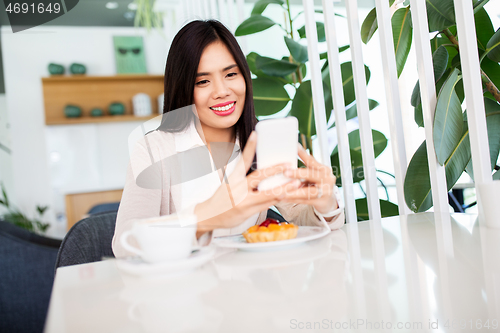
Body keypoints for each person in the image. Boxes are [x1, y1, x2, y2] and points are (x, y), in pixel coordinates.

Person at [112, 20, 344, 257]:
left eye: (231, 74)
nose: (221, 91)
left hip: (250, 287)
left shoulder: (258, 143)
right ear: (183, 87)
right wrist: (206, 217)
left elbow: (303, 220)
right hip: (183, 289)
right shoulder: (154, 149)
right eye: (203, 81)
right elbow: (124, 244)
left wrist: (325, 204)